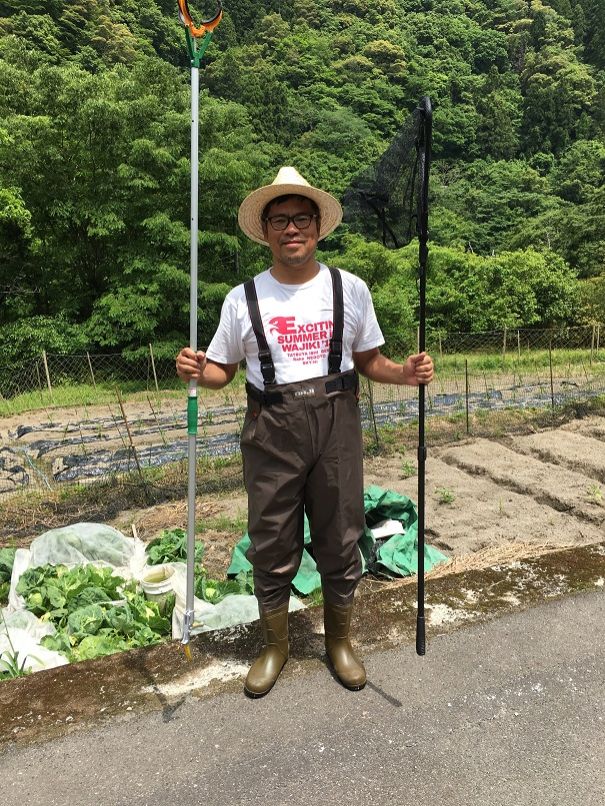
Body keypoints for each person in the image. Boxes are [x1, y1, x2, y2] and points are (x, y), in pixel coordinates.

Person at [176, 167, 434, 698]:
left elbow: (369, 360)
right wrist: (199, 371)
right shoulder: (241, 299)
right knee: (271, 537)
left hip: (337, 423)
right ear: (266, 230)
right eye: (280, 220)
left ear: (318, 226)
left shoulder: (350, 288)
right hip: (270, 426)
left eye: (300, 218)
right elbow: (222, 373)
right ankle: (275, 644)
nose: (291, 228)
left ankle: (339, 641)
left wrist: (404, 374)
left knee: (341, 534)